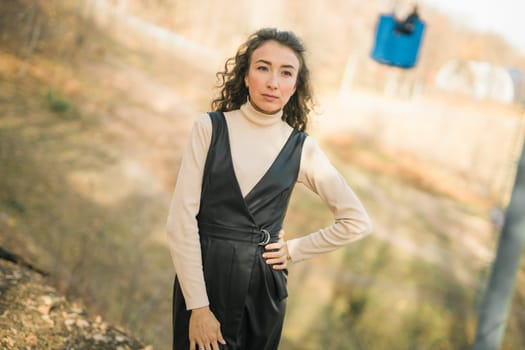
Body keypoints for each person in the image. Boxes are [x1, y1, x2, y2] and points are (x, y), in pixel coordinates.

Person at [166, 27, 372, 350]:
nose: (273, 82)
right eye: (263, 68)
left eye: (286, 72)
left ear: (295, 86)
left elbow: (356, 220)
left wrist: (294, 250)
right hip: (206, 279)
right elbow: (180, 223)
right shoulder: (208, 129)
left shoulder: (301, 149)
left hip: (262, 290)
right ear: (246, 76)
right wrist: (199, 307)